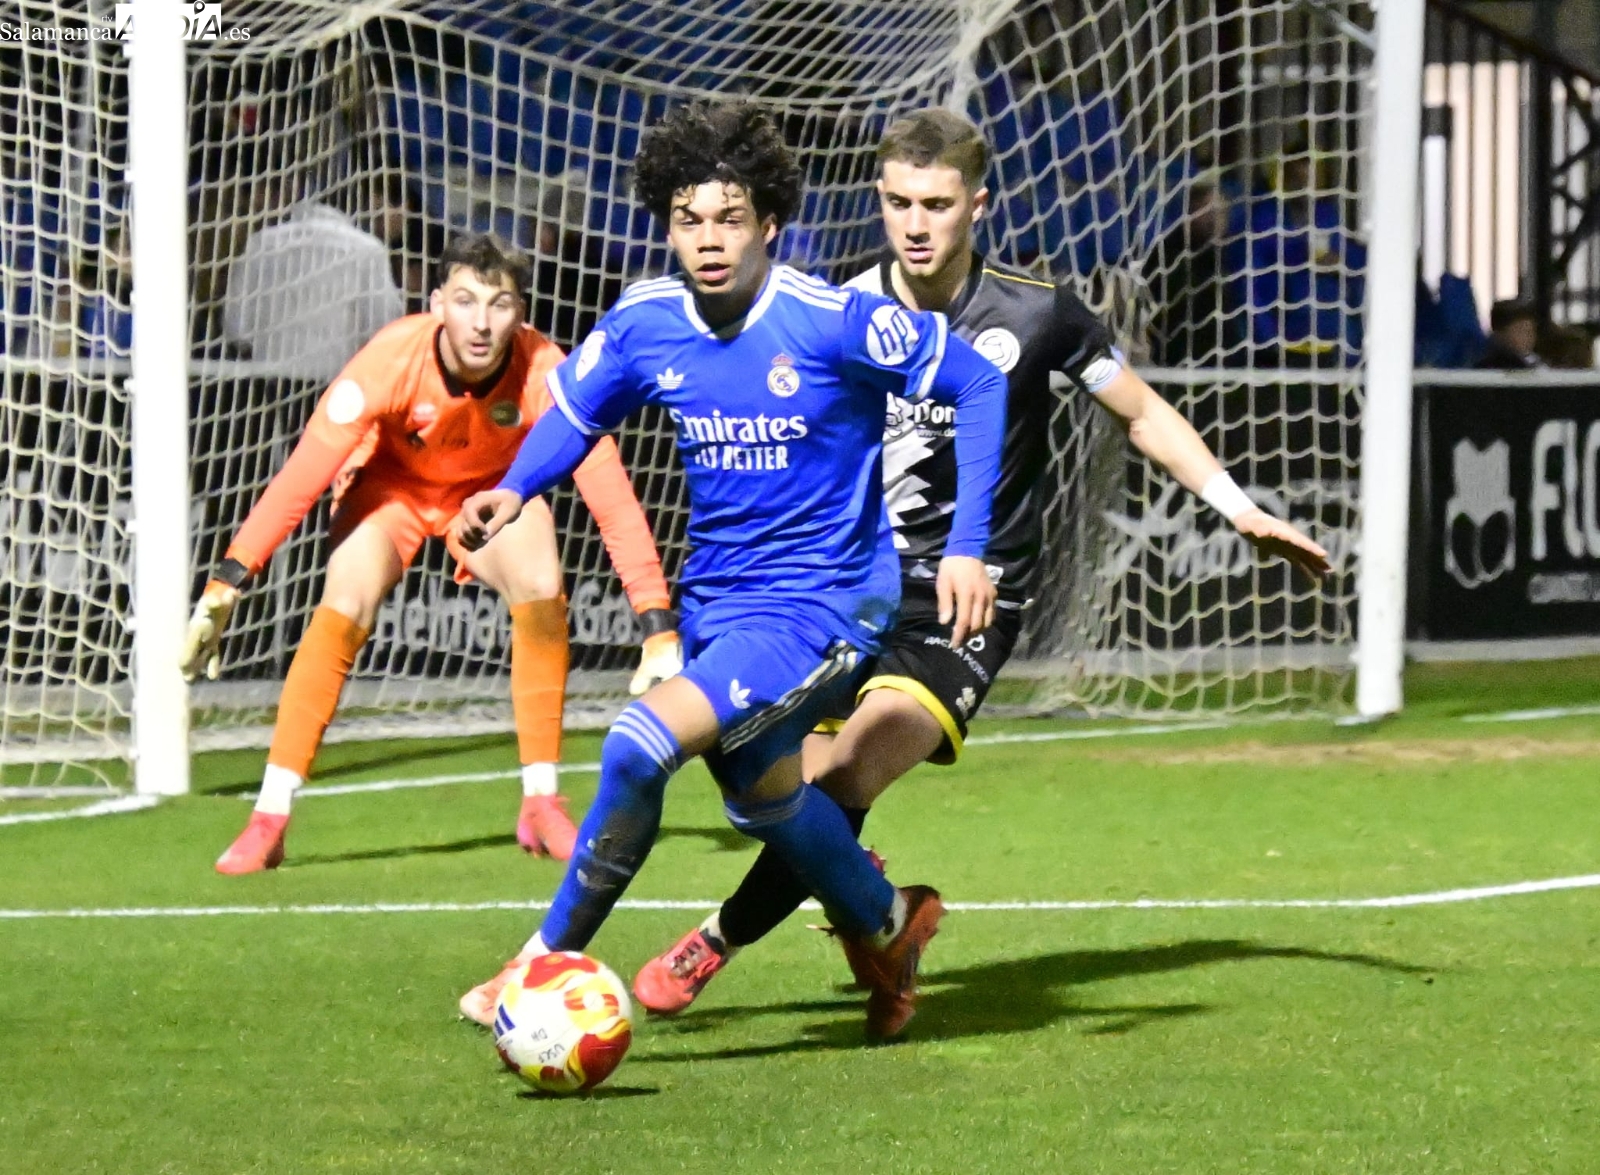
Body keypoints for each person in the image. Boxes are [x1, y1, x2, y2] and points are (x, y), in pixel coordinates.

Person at [632, 107, 1331, 1016]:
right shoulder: (838, 311)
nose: (916, 224)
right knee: (765, 774)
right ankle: (887, 922)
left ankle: (715, 939)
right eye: (898, 203)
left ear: (978, 204)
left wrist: (1238, 507)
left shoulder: (1037, 313)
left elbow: (1141, 412)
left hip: (965, 602)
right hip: (845, 588)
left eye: (937, 204)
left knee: (846, 773)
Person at [452, 101, 1010, 1042]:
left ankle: (536, 964)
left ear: (770, 225)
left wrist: (966, 545)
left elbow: (980, 380)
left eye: (730, 218)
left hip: (827, 601)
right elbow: (575, 414)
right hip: (719, 604)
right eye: (688, 220)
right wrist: (514, 488)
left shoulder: (830, 321)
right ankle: (889, 922)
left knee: (637, 745)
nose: (708, 240)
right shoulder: (645, 323)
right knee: (763, 794)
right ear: (666, 226)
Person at [185, 233, 684, 874]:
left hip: (488, 495)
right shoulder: (391, 357)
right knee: (346, 601)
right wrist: (228, 579)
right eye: (466, 301)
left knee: (540, 581)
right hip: (390, 488)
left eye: (499, 305)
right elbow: (303, 474)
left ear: (521, 313)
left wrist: (655, 621)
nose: (481, 323)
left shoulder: (545, 369)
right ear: (437, 303)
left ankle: (541, 803)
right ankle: (269, 817)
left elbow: (610, 494)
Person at [222, 173, 408, 382]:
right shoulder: (368, 250)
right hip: (333, 382)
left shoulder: (261, 242)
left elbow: (235, 323)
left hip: (267, 380)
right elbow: (382, 326)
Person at [1475, 298, 1542, 370]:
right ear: (1501, 333)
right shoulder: (1489, 366)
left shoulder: (1537, 363)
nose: (1529, 337)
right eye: (1521, 331)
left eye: (1531, 331)